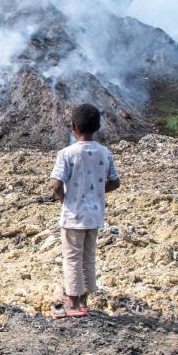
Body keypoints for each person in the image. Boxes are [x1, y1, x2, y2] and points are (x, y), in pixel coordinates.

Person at [49, 104, 120, 318]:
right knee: (88, 257)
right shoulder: (105, 153)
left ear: (73, 127)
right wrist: (98, 191)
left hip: (73, 215)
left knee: (71, 257)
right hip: (95, 214)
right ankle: (84, 301)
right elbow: (115, 182)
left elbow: (55, 184)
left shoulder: (67, 153)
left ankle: (72, 303)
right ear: (97, 127)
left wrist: (64, 199)